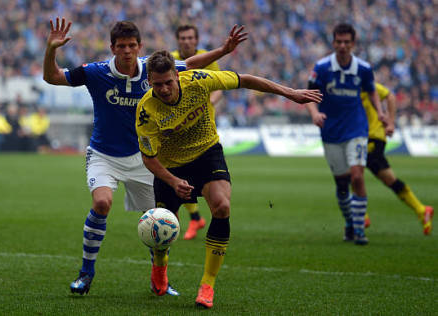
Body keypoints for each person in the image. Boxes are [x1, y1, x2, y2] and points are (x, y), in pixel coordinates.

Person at [42, 17, 247, 296]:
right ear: (112, 47)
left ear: (139, 46)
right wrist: (51, 49)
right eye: (121, 46)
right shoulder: (95, 72)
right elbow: (52, 77)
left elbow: (194, 65)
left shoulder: (152, 71)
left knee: (160, 220)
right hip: (104, 155)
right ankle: (86, 273)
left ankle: (159, 279)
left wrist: (223, 50)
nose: (127, 51)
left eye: (131, 45)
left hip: (143, 159)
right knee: (102, 202)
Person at [136, 50, 322, 308]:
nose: (164, 89)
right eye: (158, 84)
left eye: (168, 82)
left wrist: (290, 93)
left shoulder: (199, 80)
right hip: (171, 166)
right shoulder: (146, 111)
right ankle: (159, 266)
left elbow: (245, 80)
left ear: (178, 76)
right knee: (163, 230)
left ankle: (207, 284)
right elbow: (149, 158)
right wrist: (172, 181)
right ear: (149, 82)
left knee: (222, 207)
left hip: (206, 153)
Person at [305, 23, 385, 245]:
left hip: (356, 128)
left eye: (346, 42)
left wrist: (380, 113)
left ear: (353, 44)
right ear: (333, 43)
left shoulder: (363, 68)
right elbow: (310, 95)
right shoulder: (321, 68)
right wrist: (314, 113)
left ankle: (359, 230)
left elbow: (372, 92)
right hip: (330, 131)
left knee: (357, 176)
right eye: (338, 42)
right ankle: (349, 222)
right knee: (341, 184)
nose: (342, 46)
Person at [171, 24, 223, 240]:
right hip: (177, 129)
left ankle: (205, 219)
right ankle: (195, 219)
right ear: (178, 40)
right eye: (182, 37)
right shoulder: (170, 60)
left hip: (203, 128)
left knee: (197, 180)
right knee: (179, 178)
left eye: (190, 37)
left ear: (197, 40)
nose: (186, 41)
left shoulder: (208, 59)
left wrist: (208, 100)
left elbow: (220, 86)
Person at [361, 82, 433, 234]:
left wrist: (391, 123)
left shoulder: (363, 82)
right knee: (387, 178)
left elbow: (390, 96)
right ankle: (421, 209)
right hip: (358, 137)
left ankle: (360, 216)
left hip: (373, 136)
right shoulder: (343, 85)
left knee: (353, 171)